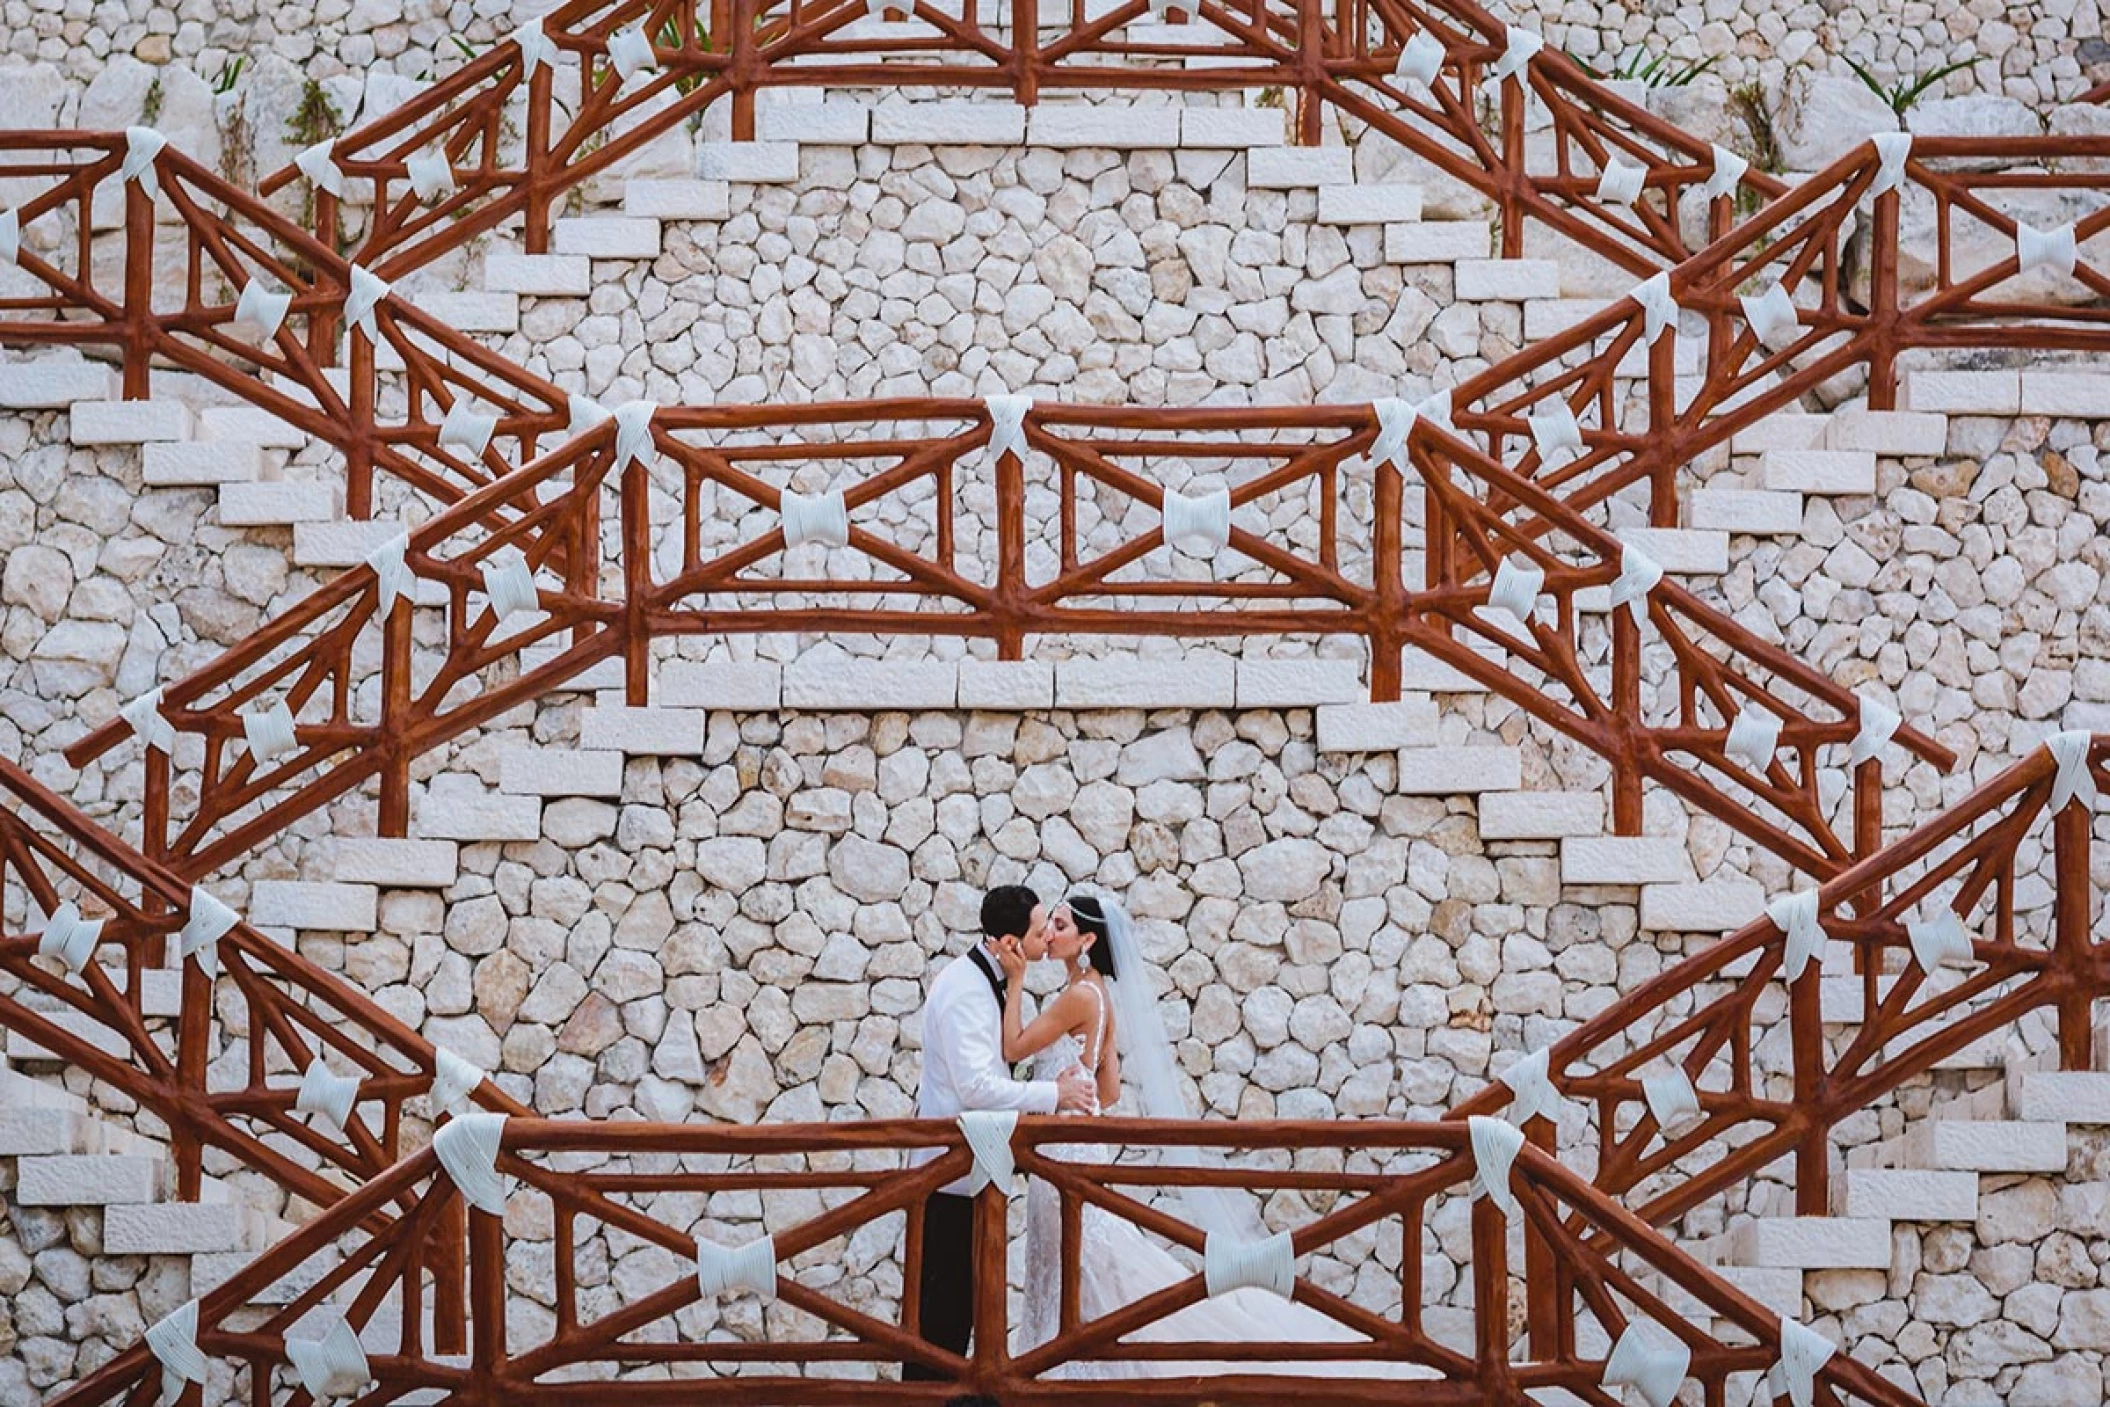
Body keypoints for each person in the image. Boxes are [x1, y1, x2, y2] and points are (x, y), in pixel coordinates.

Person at [999, 894, 1438, 1382]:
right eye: (1051, 924)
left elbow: (1014, 1045)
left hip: (1062, 1154)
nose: (1050, 934)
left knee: (1080, 1261)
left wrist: (1015, 981)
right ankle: (1068, 1364)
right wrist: (1070, 1084)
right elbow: (1109, 1089)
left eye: (1060, 925)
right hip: (1079, 1149)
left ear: (1086, 940)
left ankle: (1068, 1370)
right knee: (1084, 1261)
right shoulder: (1098, 993)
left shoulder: (1078, 996)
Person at [907, 885, 1095, 1382]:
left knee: (962, 1307)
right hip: (946, 1175)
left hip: (970, 1170)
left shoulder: (992, 979)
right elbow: (976, 1088)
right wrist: (1053, 1096)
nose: (1046, 938)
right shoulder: (967, 990)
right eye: (1039, 931)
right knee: (940, 1315)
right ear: (1011, 942)